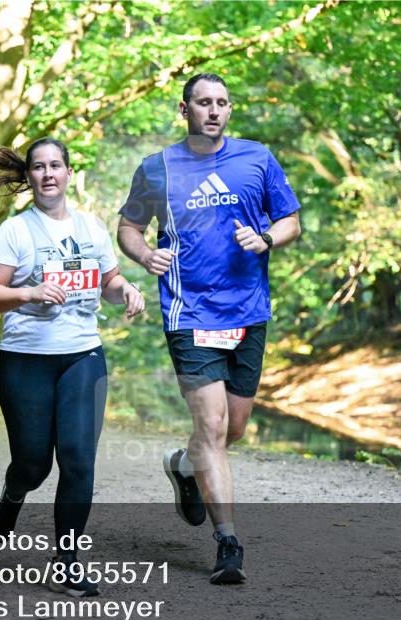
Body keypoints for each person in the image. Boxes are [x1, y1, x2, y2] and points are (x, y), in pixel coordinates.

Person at [117, 73, 301, 584]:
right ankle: (228, 544)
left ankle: (182, 464)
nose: (213, 110)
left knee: (232, 430)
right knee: (215, 429)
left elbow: (291, 220)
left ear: (230, 109)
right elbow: (128, 228)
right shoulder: (157, 170)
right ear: (185, 109)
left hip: (248, 311)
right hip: (189, 311)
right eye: (203, 102)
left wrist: (266, 238)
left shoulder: (256, 158)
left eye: (221, 103)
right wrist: (145, 253)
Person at [0, 138, 145, 598]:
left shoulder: (90, 228)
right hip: (27, 359)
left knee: (78, 459)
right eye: (38, 167)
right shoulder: (16, 232)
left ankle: (66, 563)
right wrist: (27, 293)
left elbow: (107, 281)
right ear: (28, 177)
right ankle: (12, 495)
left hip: (83, 355)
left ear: (70, 173)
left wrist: (125, 288)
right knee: (33, 465)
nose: (48, 174)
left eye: (56, 166)